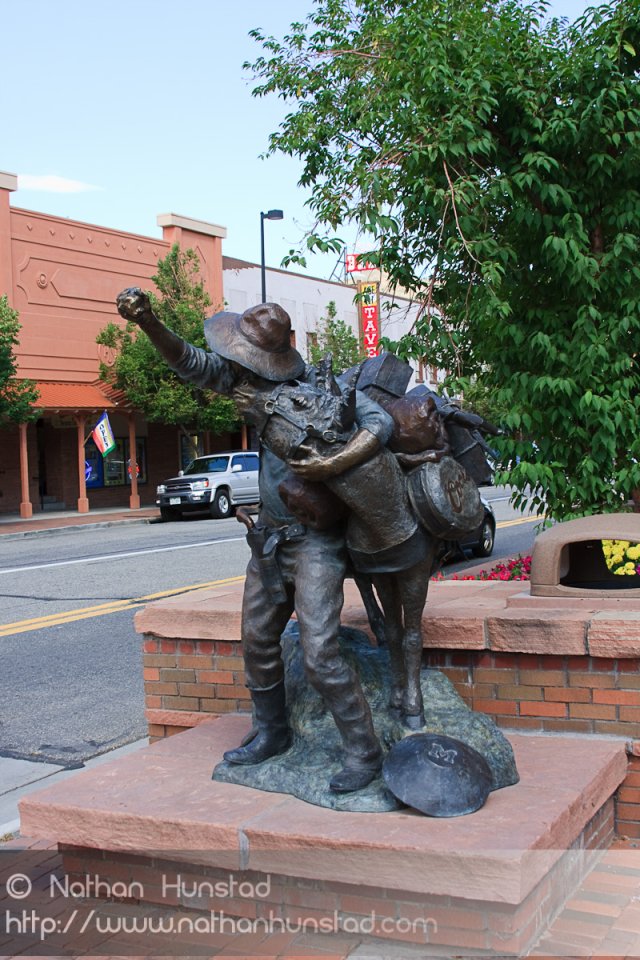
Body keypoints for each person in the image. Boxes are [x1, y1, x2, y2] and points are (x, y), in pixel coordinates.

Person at [116, 289, 393, 793]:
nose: (239, 367)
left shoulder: (321, 388)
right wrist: (150, 322)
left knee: (320, 652)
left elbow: (381, 421)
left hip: (315, 542)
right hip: (267, 541)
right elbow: (192, 363)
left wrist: (334, 461)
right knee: (257, 642)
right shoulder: (247, 383)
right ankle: (271, 732)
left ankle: (364, 752)